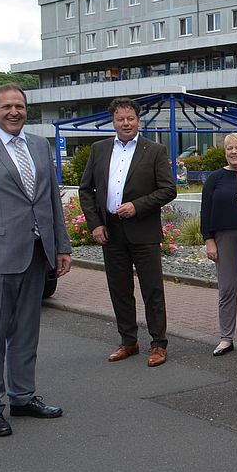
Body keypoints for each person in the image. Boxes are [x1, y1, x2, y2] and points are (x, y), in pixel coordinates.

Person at [0, 83, 72, 437]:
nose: (14, 112)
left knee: (26, 332)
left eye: (19, 106)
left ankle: (22, 397)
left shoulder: (39, 145)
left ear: (27, 110)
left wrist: (62, 246)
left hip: (36, 254)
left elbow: (51, 199)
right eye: (6, 106)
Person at [79, 97, 177, 367]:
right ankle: (128, 342)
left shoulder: (154, 150)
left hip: (143, 230)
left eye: (130, 118)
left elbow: (169, 189)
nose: (126, 123)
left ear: (138, 120)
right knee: (119, 289)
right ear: (113, 121)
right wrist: (95, 223)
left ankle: (158, 344)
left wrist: (138, 206)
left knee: (152, 290)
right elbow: (86, 190)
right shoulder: (99, 149)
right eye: (120, 119)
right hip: (110, 231)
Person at [200, 133, 237, 356]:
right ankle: (226, 337)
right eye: (229, 148)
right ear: (225, 152)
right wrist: (209, 240)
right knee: (227, 289)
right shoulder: (215, 179)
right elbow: (205, 212)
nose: (234, 152)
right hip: (223, 238)